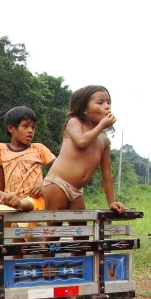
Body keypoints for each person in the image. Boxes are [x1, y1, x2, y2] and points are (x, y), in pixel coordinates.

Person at [42, 85, 125, 213]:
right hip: (57, 184)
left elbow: (107, 174)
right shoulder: (74, 122)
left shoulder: (104, 141)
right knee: (54, 230)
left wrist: (111, 201)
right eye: (100, 102)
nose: (107, 106)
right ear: (85, 109)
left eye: (108, 102)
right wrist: (102, 125)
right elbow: (81, 141)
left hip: (76, 191)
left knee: (81, 230)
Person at [0, 106, 55, 210]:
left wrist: (45, 182)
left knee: (14, 224)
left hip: (34, 201)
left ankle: (19, 207)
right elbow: (0, 182)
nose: (30, 131)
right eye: (25, 126)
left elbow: (60, 168)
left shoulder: (38, 148)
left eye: (33, 127)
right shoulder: (0, 149)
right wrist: (1, 201)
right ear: (10, 128)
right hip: (10, 203)